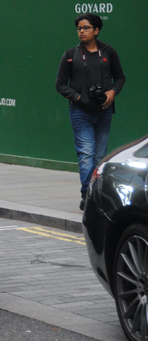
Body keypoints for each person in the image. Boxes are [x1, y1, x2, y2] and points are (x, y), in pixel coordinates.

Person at [55, 13, 125, 210]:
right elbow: (60, 85)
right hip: (80, 112)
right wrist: (78, 97)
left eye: (86, 28)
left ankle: (98, 192)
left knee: (100, 156)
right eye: (79, 28)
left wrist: (112, 92)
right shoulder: (70, 55)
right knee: (86, 154)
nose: (81, 31)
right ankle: (88, 195)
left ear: (96, 30)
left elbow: (120, 77)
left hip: (103, 111)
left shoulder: (108, 52)